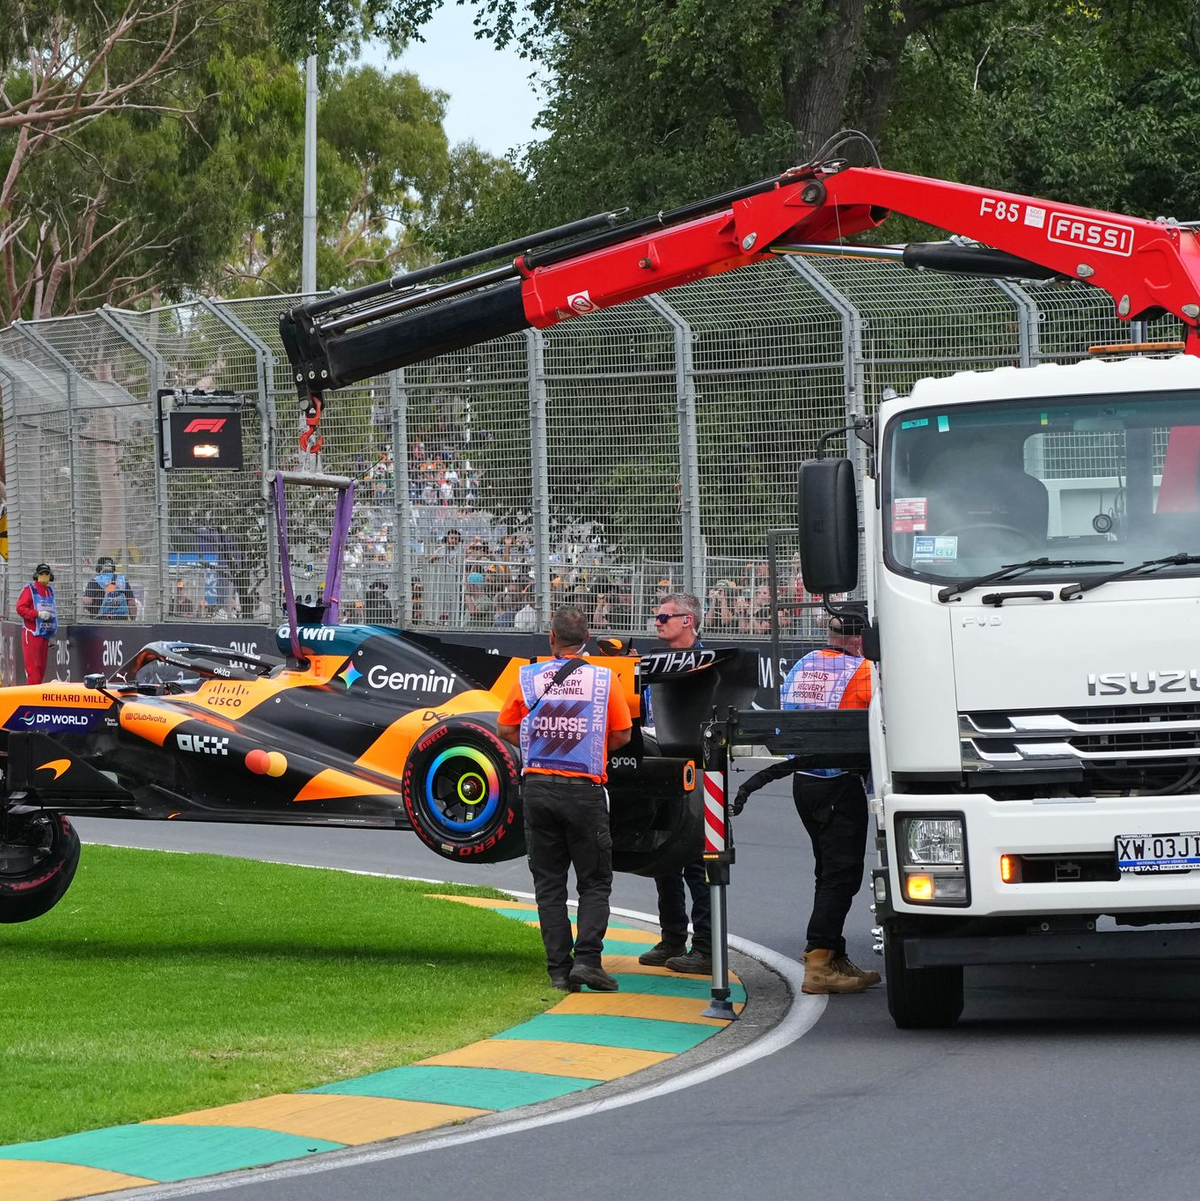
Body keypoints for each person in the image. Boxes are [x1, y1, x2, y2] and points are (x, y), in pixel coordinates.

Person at [497, 606, 632, 992]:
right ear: (587, 638)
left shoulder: (528, 677)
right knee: (594, 881)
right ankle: (587, 960)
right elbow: (622, 735)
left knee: (549, 883)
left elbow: (505, 729)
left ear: (551, 638)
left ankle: (559, 970)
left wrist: (538, 742)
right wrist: (589, 745)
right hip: (584, 791)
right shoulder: (604, 679)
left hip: (538, 788)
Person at [780, 613, 879, 995]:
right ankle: (819, 961)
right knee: (842, 875)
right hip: (840, 781)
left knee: (826, 871)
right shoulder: (864, 671)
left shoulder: (804, 664)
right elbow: (879, 718)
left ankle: (835, 955)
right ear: (860, 639)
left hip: (804, 780)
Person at [638, 591, 713, 975]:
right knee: (663, 855)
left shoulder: (711, 663)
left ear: (688, 620)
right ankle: (672, 937)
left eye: (664, 617)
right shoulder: (653, 663)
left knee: (698, 862)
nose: (657, 622)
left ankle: (706, 947)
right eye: (656, 616)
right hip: (660, 768)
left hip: (699, 773)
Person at [16, 563, 57, 684]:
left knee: (41, 668)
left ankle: (36, 692)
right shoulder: (30, 590)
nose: (44, 576)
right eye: (41, 574)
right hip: (32, 634)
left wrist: (51, 633)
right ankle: (32, 694)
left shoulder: (50, 591)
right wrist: (37, 614)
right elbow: (20, 608)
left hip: (45, 634)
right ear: (36, 575)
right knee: (34, 669)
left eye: (46, 574)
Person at [83, 556, 136, 620]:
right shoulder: (122, 580)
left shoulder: (95, 581)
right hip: (121, 620)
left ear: (98, 568)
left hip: (100, 621)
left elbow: (87, 601)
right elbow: (131, 603)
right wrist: (133, 619)